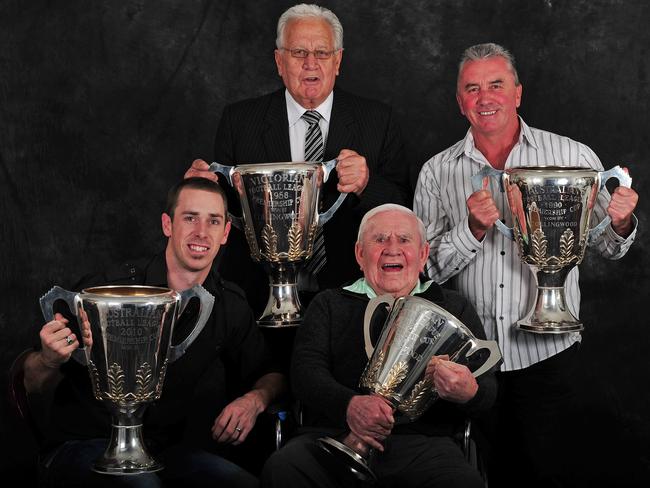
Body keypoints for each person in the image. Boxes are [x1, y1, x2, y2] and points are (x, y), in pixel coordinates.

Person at [413, 43, 639, 486]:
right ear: (460, 103)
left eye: (496, 84)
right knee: (479, 474)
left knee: (547, 473)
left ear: (518, 92)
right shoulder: (437, 172)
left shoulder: (574, 158)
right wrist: (471, 230)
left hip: (548, 354)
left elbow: (608, 249)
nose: (485, 97)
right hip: (471, 361)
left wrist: (623, 220)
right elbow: (423, 273)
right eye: (472, 89)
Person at [22, 177, 285, 487]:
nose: (201, 232)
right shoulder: (107, 290)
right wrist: (49, 359)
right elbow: (30, 382)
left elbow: (272, 373)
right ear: (167, 225)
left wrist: (254, 400)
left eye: (213, 221)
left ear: (225, 233)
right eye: (190, 218)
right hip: (82, 446)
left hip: (165, 453)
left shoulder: (229, 304)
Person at [186, 3, 410, 315]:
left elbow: (405, 207)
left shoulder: (377, 120)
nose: (310, 64)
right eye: (298, 53)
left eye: (322, 53)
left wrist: (366, 184)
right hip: (255, 300)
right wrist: (199, 191)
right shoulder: (240, 121)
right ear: (279, 61)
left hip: (353, 300)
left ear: (338, 60)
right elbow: (225, 213)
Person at [260, 204, 497, 488]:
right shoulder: (329, 303)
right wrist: (349, 405)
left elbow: (488, 392)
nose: (392, 249)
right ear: (360, 254)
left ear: (423, 255)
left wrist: (468, 391)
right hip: (333, 434)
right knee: (283, 469)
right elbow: (305, 374)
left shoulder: (454, 306)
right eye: (380, 239)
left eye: (404, 240)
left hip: (423, 445)